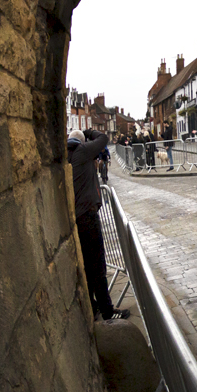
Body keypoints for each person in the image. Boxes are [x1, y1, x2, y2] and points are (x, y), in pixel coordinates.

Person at [67, 129, 129, 320]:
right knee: (98, 266)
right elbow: (103, 138)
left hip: (76, 217)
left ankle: (93, 307)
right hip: (87, 217)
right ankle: (108, 312)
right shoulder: (81, 150)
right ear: (83, 142)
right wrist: (89, 132)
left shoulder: (67, 154)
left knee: (87, 266)